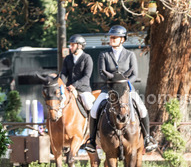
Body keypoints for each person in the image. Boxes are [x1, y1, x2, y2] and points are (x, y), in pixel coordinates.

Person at [82, 25, 157, 153]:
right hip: (108, 90)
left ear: (122, 39)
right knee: (94, 110)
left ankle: (147, 138)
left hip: (127, 89)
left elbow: (134, 74)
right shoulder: (104, 55)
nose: (112, 39)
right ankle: (92, 141)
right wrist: (113, 82)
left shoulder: (129, 55)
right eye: (111, 37)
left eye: (115, 37)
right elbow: (101, 73)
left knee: (142, 108)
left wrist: (123, 83)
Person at [59, 34, 95, 110]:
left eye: (72, 45)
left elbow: (86, 76)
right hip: (68, 88)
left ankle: (91, 121)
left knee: (88, 106)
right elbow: (63, 73)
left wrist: (74, 85)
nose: (70, 47)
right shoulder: (67, 58)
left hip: (83, 90)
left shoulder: (87, 58)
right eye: (70, 45)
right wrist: (63, 84)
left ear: (79, 46)